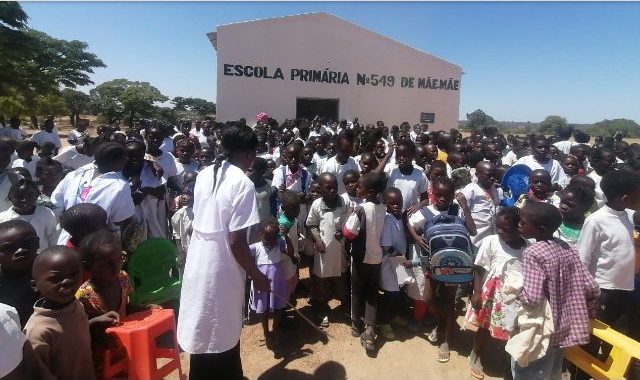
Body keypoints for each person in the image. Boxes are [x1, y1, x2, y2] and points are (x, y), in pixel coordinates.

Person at [177, 125, 270, 380]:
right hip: (222, 265)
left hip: (199, 258)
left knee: (204, 322)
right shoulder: (243, 183)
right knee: (220, 325)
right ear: (250, 154)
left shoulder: (205, 173)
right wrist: (257, 276)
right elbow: (236, 240)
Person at [512, 203, 598, 380]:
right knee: (552, 369)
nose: (519, 224)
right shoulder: (568, 249)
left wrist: (517, 292)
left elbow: (533, 298)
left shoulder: (533, 253)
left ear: (540, 229)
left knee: (527, 367)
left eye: (523, 221)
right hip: (564, 326)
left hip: (543, 326)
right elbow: (591, 286)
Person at [577, 170, 640, 369]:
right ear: (625, 198)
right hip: (601, 292)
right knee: (592, 341)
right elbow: (583, 259)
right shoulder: (596, 220)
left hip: (625, 291)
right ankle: (582, 373)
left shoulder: (629, 216)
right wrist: (584, 295)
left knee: (619, 340)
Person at [465, 207, 528, 379]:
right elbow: (478, 268)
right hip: (491, 293)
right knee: (484, 326)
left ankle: (508, 363)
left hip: (513, 297)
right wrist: (476, 292)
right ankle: (476, 354)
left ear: (519, 227)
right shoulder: (491, 241)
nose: (500, 231)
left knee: (512, 330)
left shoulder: (527, 247)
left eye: (505, 229)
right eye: (497, 227)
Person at [24, 246, 98, 380]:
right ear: (35, 285)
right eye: (56, 278)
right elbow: (38, 372)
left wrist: (93, 323)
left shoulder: (76, 304)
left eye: (74, 274)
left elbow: (70, 335)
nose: (68, 281)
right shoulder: (38, 330)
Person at [75, 230, 134, 379]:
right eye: (106, 263)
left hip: (125, 348)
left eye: (119, 259)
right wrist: (95, 322)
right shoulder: (84, 296)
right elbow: (77, 332)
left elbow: (127, 307)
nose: (115, 267)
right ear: (87, 267)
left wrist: (144, 309)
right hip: (99, 359)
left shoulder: (123, 278)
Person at [52, 142, 134, 244]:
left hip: (68, 238)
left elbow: (57, 200)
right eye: (124, 158)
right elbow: (119, 219)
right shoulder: (119, 185)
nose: (127, 160)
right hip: (97, 243)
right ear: (115, 161)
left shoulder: (74, 174)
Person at [343, 172, 387, 353]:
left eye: (359, 186)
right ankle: (370, 328)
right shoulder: (383, 207)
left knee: (357, 291)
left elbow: (349, 233)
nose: (355, 188)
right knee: (372, 293)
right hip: (376, 258)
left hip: (360, 258)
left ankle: (355, 324)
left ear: (368, 192)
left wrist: (347, 222)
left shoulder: (361, 208)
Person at [306, 172, 349, 328]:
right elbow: (311, 224)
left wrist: (342, 230)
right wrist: (317, 239)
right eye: (328, 188)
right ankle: (323, 309)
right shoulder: (317, 204)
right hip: (323, 250)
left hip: (339, 250)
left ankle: (345, 307)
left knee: (341, 279)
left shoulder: (343, 202)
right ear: (321, 189)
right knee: (322, 281)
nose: (332, 190)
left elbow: (348, 219)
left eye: (335, 187)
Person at [249, 218, 295, 350]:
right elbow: (243, 256)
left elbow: (291, 253)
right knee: (263, 309)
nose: (269, 241)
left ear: (277, 236)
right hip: (261, 286)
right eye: (266, 238)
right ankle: (266, 331)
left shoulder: (279, 243)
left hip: (277, 283)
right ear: (260, 235)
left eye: (273, 237)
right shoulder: (256, 247)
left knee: (278, 308)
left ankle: (275, 329)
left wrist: (286, 236)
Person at [378, 187, 409, 341]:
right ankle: (384, 321)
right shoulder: (387, 220)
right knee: (392, 294)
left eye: (399, 203)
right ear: (386, 205)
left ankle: (393, 316)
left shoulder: (400, 218)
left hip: (399, 264)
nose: (396, 206)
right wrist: (400, 257)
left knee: (398, 293)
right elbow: (386, 247)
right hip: (389, 265)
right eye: (392, 204)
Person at [0, 220, 40, 327]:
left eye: (28, 243)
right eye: (9, 248)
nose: (20, 250)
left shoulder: (49, 270)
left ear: (38, 243)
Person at [0, 179, 58, 252]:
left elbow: (53, 239)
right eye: (19, 197)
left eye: (30, 195)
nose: (25, 200)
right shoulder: (3, 218)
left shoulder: (46, 213)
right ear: (10, 198)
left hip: (40, 259)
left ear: (37, 195)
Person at [460, 162, 501, 247]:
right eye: (488, 175)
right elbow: (462, 214)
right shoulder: (471, 190)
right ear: (477, 174)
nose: (492, 178)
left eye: (494, 175)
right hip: (476, 240)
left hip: (493, 239)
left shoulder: (494, 190)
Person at [386, 139, 428, 212]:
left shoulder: (420, 174)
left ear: (413, 156)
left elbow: (425, 199)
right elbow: (375, 176)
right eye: (398, 155)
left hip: (409, 215)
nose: (401, 158)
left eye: (405, 156)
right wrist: (388, 155)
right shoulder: (390, 170)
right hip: (390, 215)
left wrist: (419, 206)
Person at [321, 130, 359, 195]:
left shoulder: (352, 162)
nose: (347, 154)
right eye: (344, 151)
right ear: (337, 148)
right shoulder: (329, 166)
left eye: (349, 151)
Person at [246, 157, 272, 243]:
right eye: (246, 170)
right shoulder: (244, 186)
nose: (247, 173)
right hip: (249, 229)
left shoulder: (270, 186)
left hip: (266, 228)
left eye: (250, 171)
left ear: (260, 172)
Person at [171, 186, 194, 269]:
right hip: (186, 254)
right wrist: (181, 253)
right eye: (182, 194)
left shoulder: (201, 212)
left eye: (188, 194)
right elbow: (176, 233)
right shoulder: (181, 213)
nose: (183, 197)